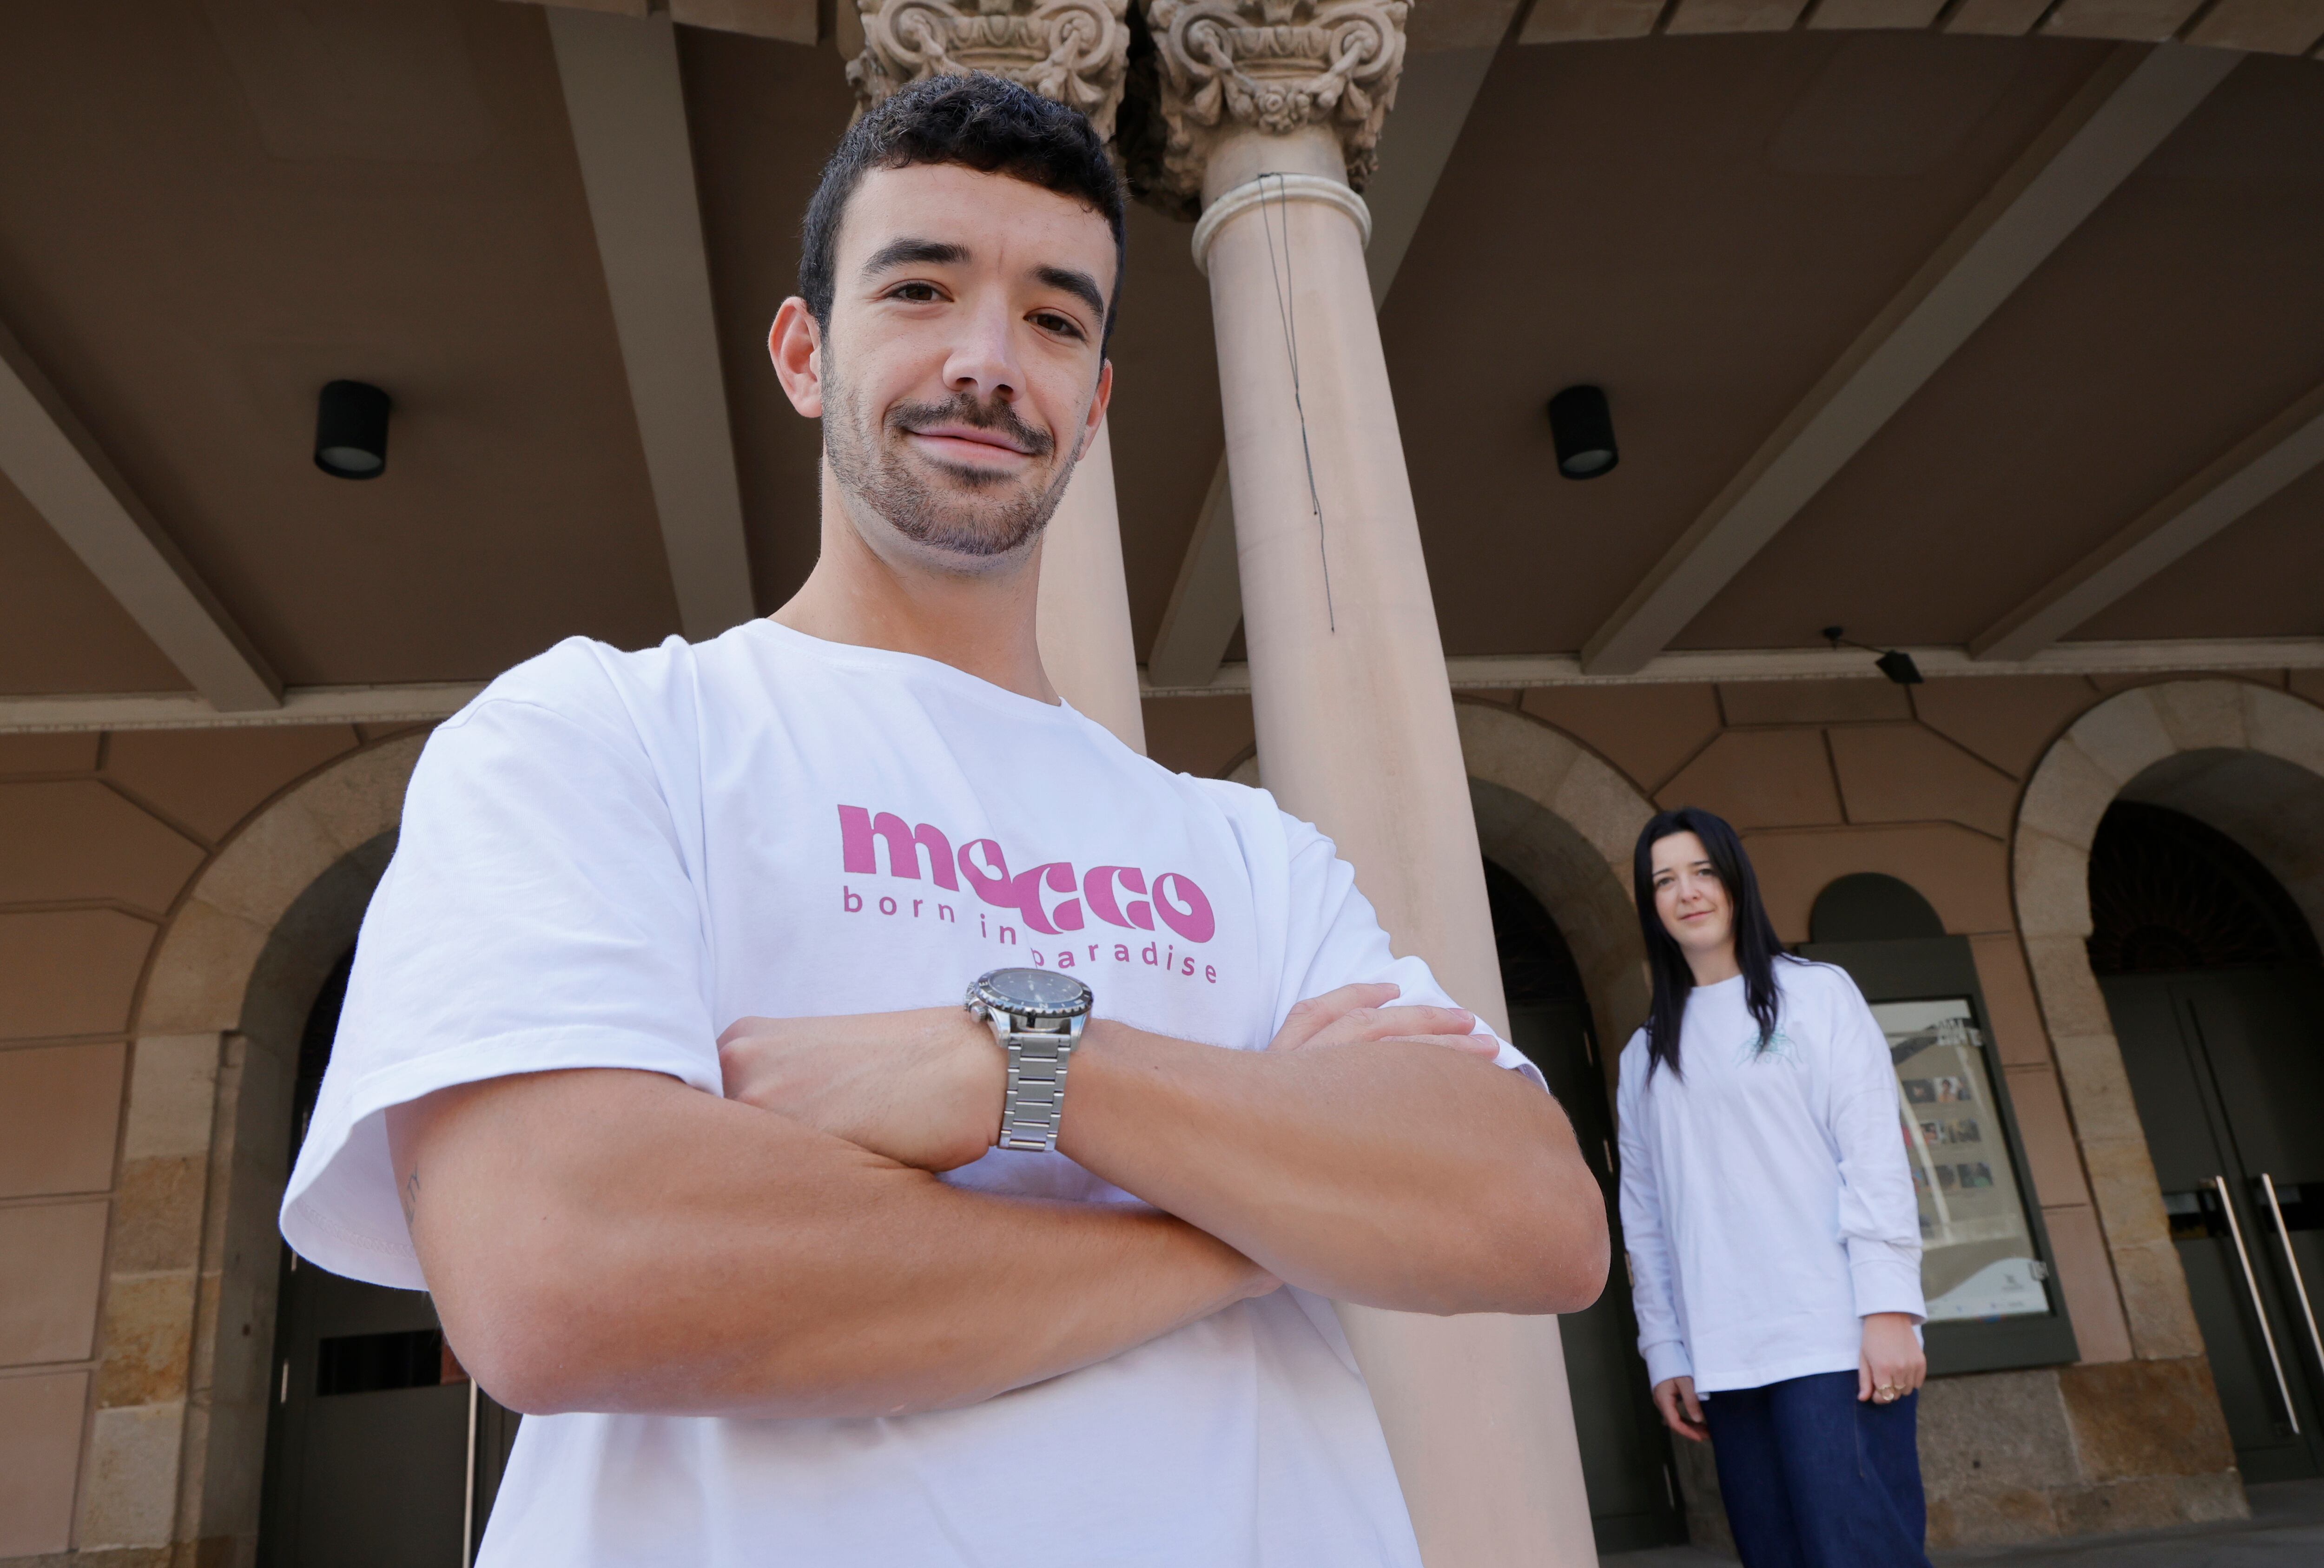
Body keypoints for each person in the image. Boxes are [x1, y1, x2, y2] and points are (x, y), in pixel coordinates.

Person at [277, 73, 1607, 1568]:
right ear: (803, 351)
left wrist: (1021, 1063)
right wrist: (1263, 1218)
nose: (987, 360)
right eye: (920, 289)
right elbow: (564, 1270)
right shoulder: (598, 736)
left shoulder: (1250, 853)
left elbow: (1527, 1209)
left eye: (1054, 318)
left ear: (1094, 403)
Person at [1615, 807, 1931, 1568]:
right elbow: (1646, 1217)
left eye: (1703, 871)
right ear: (1650, 905)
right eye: (1664, 880)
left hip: (1833, 1339)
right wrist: (1665, 1348)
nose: (1687, 892)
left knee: (1860, 1552)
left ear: (1735, 881)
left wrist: (1889, 1309)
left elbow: (1873, 1157)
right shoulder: (1645, 1054)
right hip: (1725, 1353)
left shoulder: (1817, 996)